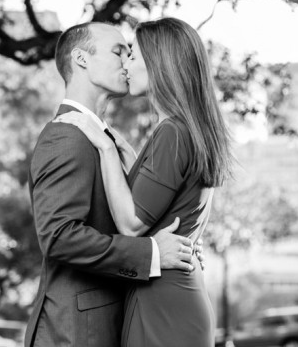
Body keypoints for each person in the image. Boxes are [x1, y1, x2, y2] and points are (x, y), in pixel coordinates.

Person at [55, 17, 233, 347]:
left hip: (165, 304)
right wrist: (129, 156)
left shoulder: (172, 133)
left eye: (132, 55)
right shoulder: (183, 130)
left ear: (158, 63)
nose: (125, 65)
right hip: (171, 298)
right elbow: (167, 201)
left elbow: (131, 224)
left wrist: (106, 147)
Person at [25, 22, 202, 347]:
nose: (128, 61)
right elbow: (59, 236)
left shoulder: (107, 139)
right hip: (76, 332)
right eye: (119, 51)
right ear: (81, 59)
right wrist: (150, 253)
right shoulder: (67, 134)